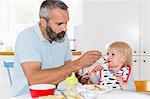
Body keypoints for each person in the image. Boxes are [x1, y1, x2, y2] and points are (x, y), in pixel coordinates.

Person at [11, 0, 101, 96]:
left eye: (66, 23)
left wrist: (82, 78)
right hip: (27, 96)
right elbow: (35, 79)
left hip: (52, 94)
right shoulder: (27, 37)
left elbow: (68, 69)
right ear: (43, 22)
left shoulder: (62, 37)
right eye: (59, 24)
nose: (65, 29)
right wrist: (78, 63)